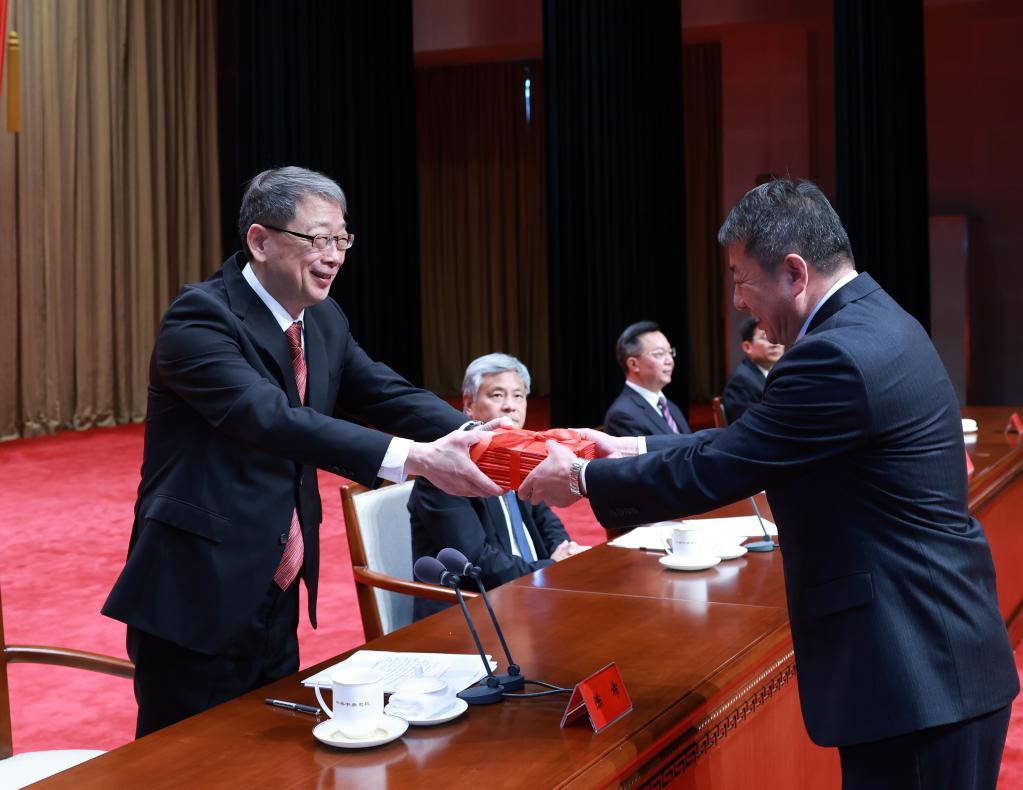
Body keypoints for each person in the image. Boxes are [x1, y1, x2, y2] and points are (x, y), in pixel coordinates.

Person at [520, 179, 1018, 789]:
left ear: (793, 272)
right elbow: (753, 440)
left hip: (916, 674)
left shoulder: (833, 355)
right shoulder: (876, 318)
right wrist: (630, 445)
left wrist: (581, 476)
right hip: (940, 656)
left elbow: (724, 466)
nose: (736, 301)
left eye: (739, 277)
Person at [102, 166, 502, 737]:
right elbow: (272, 419)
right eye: (318, 238)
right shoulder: (200, 318)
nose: (335, 255)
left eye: (343, 239)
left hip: (276, 584)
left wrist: (489, 436)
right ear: (260, 241)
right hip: (196, 588)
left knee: (271, 756)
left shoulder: (323, 319)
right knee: (187, 763)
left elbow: (386, 392)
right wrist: (415, 459)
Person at [409, 353, 587, 620]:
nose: (510, 406)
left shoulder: (518, 458)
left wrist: (563, 549)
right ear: (468, 405)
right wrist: (550, 567)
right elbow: (478, 562)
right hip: (474, 612)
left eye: (518, 396)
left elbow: (546, 519)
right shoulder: (445, 473)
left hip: (531, 595)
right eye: (497, 396)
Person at [603, 321, 690, 436]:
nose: (670, 361)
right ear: (634, 364)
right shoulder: (622, 416)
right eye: (659, 354)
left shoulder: (669, 406)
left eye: (670, 352)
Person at [720, 315, 784, 423]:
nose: (775, 343)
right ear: (747, 347)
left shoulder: (781, 372)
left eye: (777, 335)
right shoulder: (741, 381)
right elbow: (747, 425)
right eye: (766, 337)